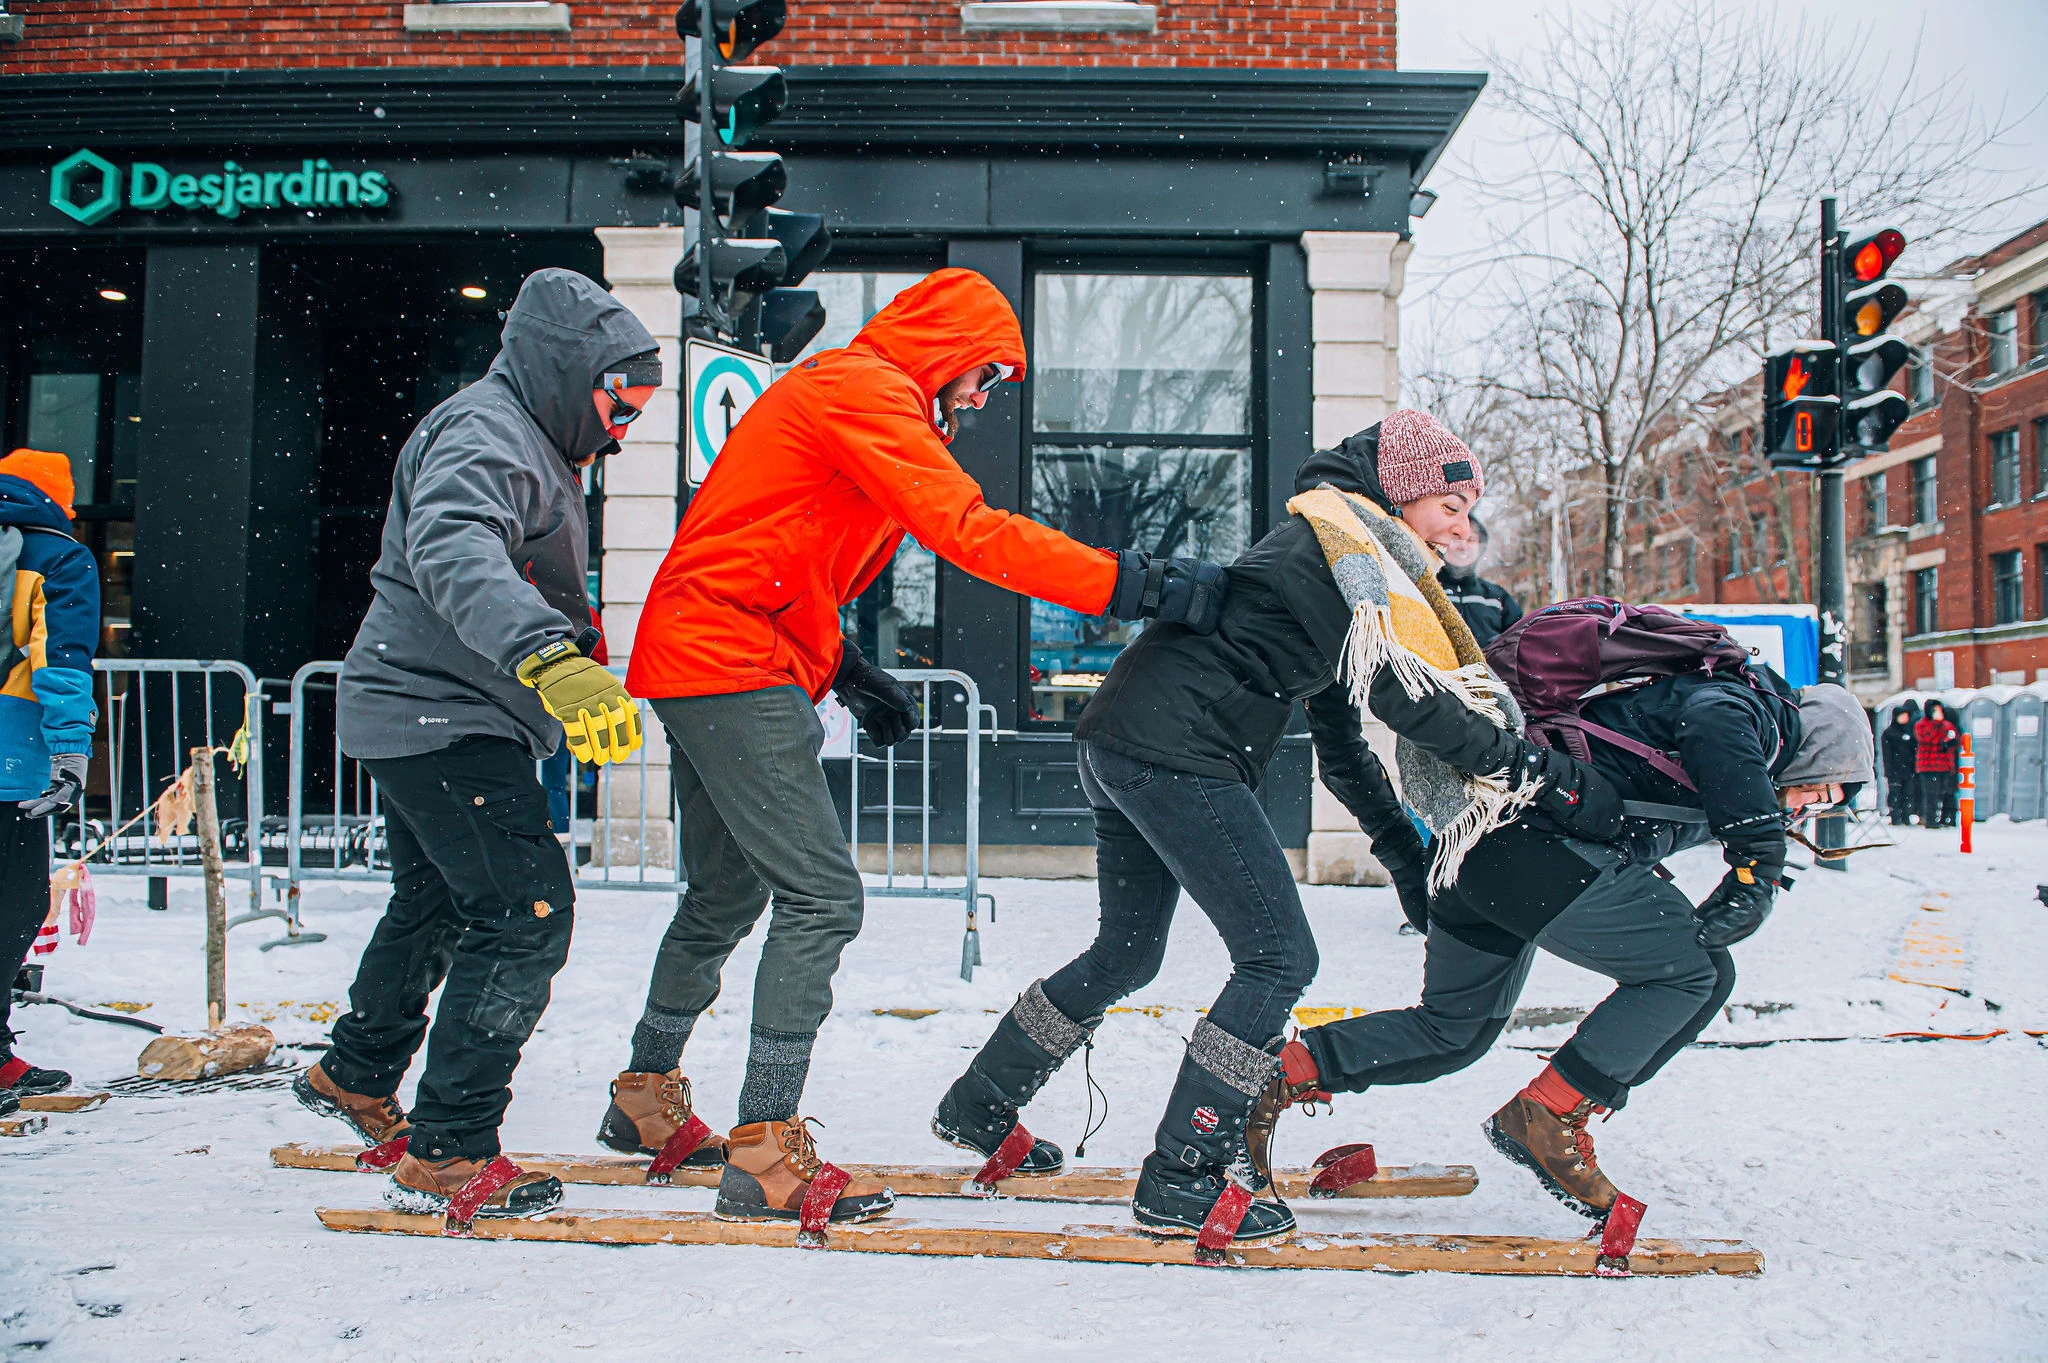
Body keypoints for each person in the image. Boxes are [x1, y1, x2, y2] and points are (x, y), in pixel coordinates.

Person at [614, 267, 1229, 1229]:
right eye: (984, 374)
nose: (983, 398)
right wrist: (1131, 584)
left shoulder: (852, 398)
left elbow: (774, 541)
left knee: (727, 890)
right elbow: (969, 530)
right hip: (730, 660)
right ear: (944, 347)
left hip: (720, 648)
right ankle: (765, 1150)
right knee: (822, 896)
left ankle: (643, 1095)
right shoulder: (862, 389)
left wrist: (851, 667)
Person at [930, 410, 1623, 1247]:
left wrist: (1410, 865)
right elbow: (1402, 702)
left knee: (1127, 952)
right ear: (1404, 491)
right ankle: (1183, 1173)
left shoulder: (1348, 563)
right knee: (1280, 956)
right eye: (1452, 500)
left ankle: (978, 1103)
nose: (1460, 524)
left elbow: (1342, 745)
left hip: (1129, 739)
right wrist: (1520, 762)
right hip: (1172, 747)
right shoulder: (1327, 553)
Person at [295, 268, 660, 1222]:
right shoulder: (487, 433)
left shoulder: (528, 438)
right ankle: (450, 1147)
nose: (625, 425)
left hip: (425, 709)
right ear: (566, 368)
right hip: (439, 714)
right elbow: (456, 548)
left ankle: (356, 1072)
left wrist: (572, 640)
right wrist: (549, 654)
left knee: (437, 901)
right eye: (619, 399)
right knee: (526, 914)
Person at [1267, 671, 1873, 1224]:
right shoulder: (1751, 716)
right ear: (1815, 753)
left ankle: (1273, 1078)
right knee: (1697, 972)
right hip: (1530, 854)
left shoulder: (1740, 755)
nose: (1809, 810)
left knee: (1451, 1031)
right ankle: (1548, 1115)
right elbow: (1714, 724)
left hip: (1485, 854)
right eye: (1821, 794)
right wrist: (1758, 862)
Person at [0, 449, 99, 1109]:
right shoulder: (58, 557)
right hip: (12, 758)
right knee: (14, 906)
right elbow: (58, 659)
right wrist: (70, 753)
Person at [1436, 512, 1522, 648]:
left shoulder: (1497, 596)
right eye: (1456, 538)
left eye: (1471, 539)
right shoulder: (1426, 588)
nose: (1463, 546)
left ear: (1480, 546)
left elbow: (1520, 642)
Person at [1915, 701, 1960, 828]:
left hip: (1943, 765)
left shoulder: (1946, 725)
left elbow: (1954, 738)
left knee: (1942, 793)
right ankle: (1930, 820)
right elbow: (1928, 738)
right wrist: (1943, 738)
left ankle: (1942, 818)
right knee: (1931, 795)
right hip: (1928, 765)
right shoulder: (1922, 725)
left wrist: (1950, 741)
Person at [1880, 705, 1919, 826]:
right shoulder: (1889, 733)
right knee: (1895, 793)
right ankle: (1895, 817)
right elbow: (1887, 754)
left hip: (1908, 768)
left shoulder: (1910, 732)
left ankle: (1906, 816)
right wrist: (1889, 769)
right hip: (1895, 769)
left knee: (1908, 793)